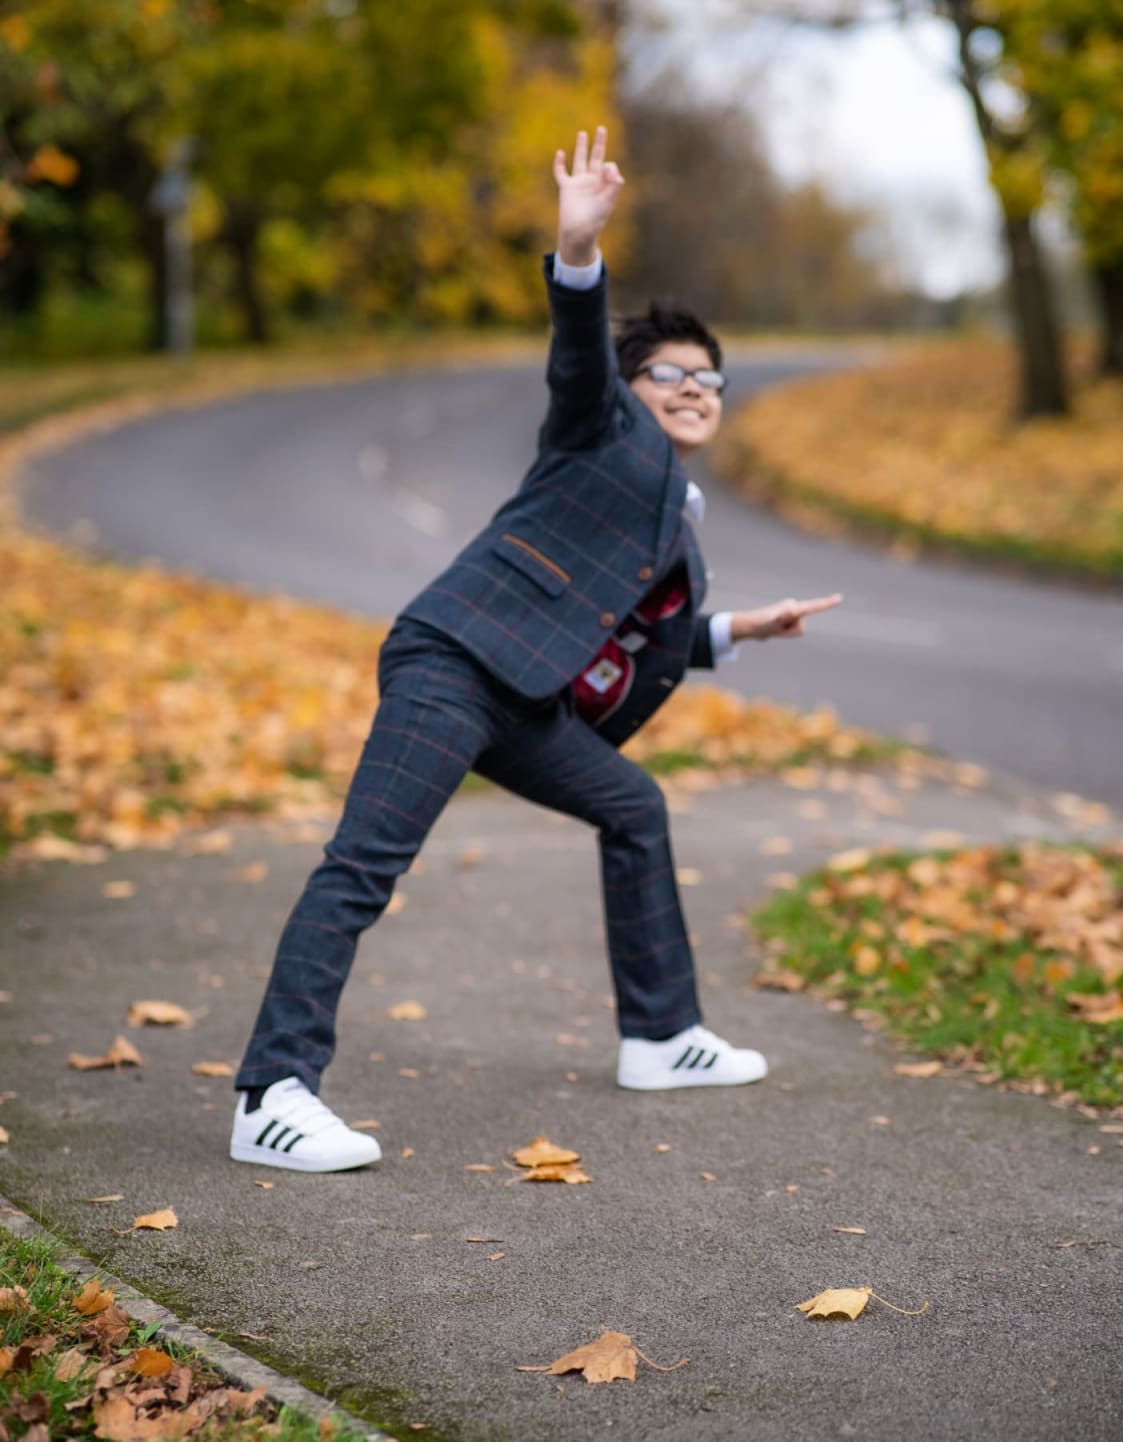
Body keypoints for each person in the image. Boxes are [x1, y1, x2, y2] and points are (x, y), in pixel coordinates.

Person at [229, 127, 842, 1172]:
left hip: (527, 701)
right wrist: (578, 254)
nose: (697, 388)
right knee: (364, 865)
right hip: (455, 660)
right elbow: (576, 358)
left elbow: (623, 633)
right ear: (629, 387)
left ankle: (658, 1035)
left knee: (634, 803)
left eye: (713, 379)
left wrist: (742, 629)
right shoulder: (600, 432)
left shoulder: (676, 530)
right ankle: (271, 1093)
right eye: (670, 373)